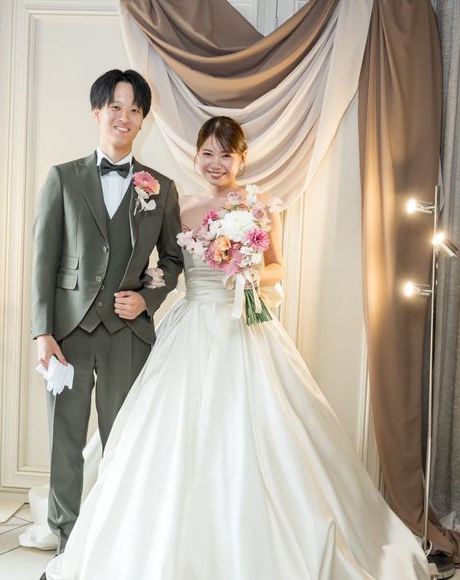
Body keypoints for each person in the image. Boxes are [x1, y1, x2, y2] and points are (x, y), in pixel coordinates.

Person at [45, 116, 429, 579]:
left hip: (244, 326)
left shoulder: (258, 205)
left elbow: (278, 267)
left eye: (226, 155)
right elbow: (167, 264)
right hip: (190, 325)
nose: (216, 163)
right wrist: (141, 291)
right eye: (207, 153)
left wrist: (248, 272)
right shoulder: (177, 204)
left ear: (241, 159)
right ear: (195, 156)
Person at [31, 68, 184, 576]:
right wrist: (43, 332)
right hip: (69, 335)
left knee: (125, 442)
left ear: (143, 119)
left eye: (135, 109)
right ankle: (67, 542)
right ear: (97, 112)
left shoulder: (161, 188)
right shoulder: (62, 177)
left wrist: (147, 298)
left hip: (128, 336)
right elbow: (43, 261)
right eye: (115, 107)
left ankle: (119, 540)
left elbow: (173, 261)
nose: (125, 117)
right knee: (65, 442)